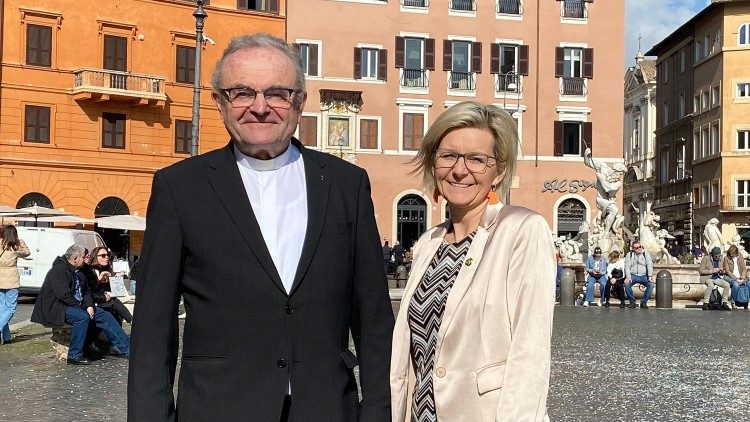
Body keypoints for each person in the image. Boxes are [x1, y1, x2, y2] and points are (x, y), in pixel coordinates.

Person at [127, 33, 394, 421]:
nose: (259, 107)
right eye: (242, 92)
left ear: (299, 103)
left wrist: (377, 413)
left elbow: (373, 319)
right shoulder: (180, 188)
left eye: (277, 93)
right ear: (220, 101)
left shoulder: (346, 184)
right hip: (218, 408)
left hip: (326, 408)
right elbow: (152, 329)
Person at [391, 101, 556, 421]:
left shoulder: (522, 230)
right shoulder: (428, 243)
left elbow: (530, 354)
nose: (459, 169)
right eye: (448, 155)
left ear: (500, 171)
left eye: (477, 159)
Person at [30, 245, 131, 364]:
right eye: (84, 257)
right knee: (82, 317)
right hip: (58, 307)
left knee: (105, 316)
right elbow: (63, 296)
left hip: (76, 304)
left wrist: (89, 306)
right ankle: (74, 355)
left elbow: (86, 291)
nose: (86, 259)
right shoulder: (58, 271)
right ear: (75, 258)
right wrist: (84, 307)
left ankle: (129, 349)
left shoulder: (79, 270)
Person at [82, 247, 133, 324]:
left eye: (108, 255)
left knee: (115, 305)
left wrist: (116, 280)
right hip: (96, 300)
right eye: (103, 255)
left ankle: (131, 322)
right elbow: (89, 290)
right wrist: (99, 279)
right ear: (95, 257)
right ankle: (132, 321)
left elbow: (118, 292)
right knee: (114, 303)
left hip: (108, 300)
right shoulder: (90, 271)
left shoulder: (108, 270)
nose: (106, 257)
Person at [0, 225, 31, 344]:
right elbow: (27, 252)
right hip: (11, 280)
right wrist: (20, 242)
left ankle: (7, 338)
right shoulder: (15, 246)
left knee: (2, 308)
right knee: (10, 308)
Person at [699, 246, 731, 311]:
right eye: (716, 256)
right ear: (712, 255)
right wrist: (712, 271)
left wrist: (722, 271)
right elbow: (700, 270)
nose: (718, 257)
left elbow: (724, 271)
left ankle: (724, 303)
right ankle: (705, 303)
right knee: (711, 285)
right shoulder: (706, 258)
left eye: (719, 256)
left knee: (727, 285)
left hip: (717, 278)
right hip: (708, 277)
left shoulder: (720, 259)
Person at [624, 241, 654, 308]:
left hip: (643, 275)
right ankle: (632, 301)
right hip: (633, 275)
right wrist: (628, 277)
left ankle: (644, 302)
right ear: (633, 249)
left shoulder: (646, 254)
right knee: (627, 284)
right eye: (637, 248)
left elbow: (649, 265)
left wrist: (650, 276)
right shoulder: (629, 254)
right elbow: (627, 266)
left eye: (640, 247)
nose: (639, 248)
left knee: (651, 284)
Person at [722, 245, 747, 310]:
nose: (732, 255)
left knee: (748, 284)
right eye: (731, 254)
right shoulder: (726, 258)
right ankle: (733, 302)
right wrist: (736, 279)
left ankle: (745, 301)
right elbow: (727, 271)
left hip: (740, 277)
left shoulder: (740, 256)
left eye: (733, 254)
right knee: (735, 284)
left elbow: (744, 269)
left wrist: (743, 277)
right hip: (729, 277)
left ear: (736, 253)